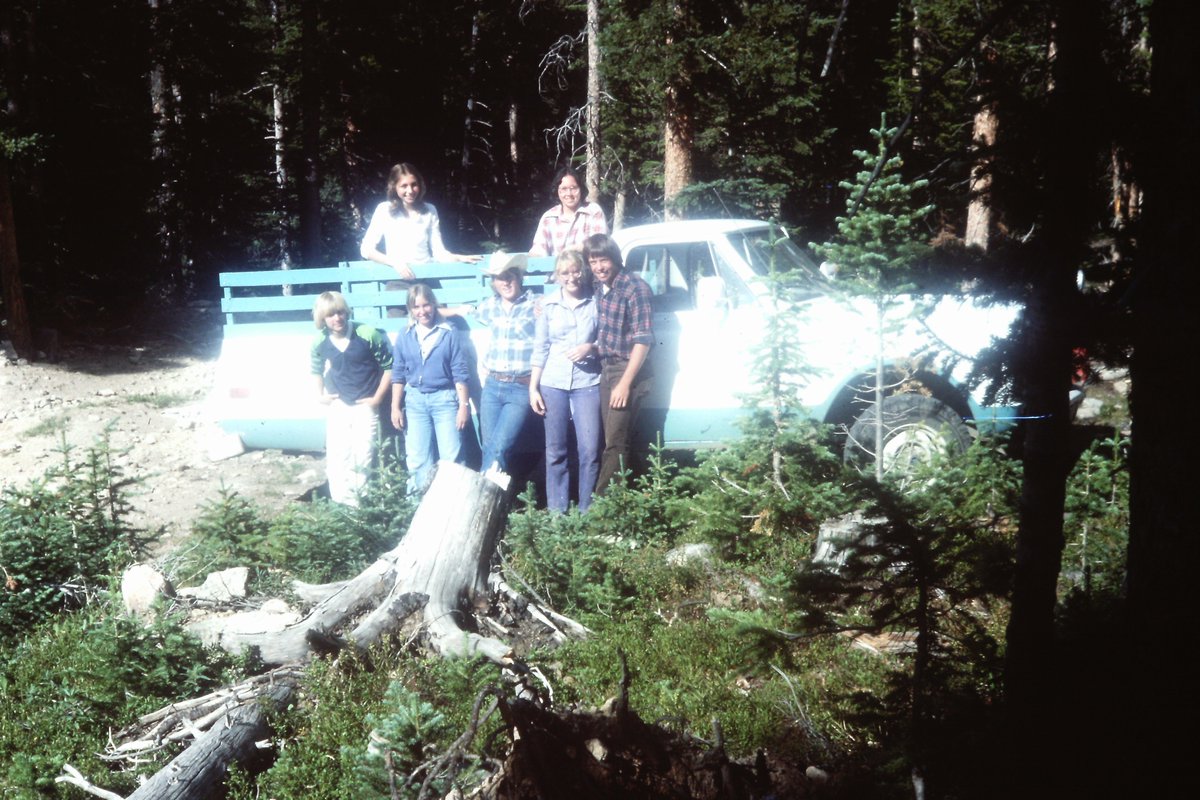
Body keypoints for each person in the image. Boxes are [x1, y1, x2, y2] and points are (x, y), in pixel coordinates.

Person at [529, 250, 602, 511]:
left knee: (590, 450)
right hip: (553, 382)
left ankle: (586, 511)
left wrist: (590, 347)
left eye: (575, 271)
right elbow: (541, 347)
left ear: (583, 271)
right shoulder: (548, 305)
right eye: (565, 273)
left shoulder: (596, 302)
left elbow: (607, 339)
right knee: (555, 451)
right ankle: (557, 514)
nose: (571, 277)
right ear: (557, 276)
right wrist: (533, 387)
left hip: (588, 382)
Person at [583, 233, 654, 493]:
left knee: (615, 442)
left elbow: (643, 341)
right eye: (593, 261)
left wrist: (625, 384)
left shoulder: (635, 288)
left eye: (604, 260)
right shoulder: (600, 287)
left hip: (629, 372)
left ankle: (604, 509)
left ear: (615, 258)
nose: (599, 267)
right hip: (607, 369)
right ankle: (631, 499)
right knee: (614, 440)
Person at [310, 291, 393, 506]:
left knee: (362, 455)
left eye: (339, 312)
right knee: (338, 456)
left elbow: (389, 367)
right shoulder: (320, 341)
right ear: (322, 318)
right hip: (339, 406)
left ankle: (359, 508)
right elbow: (316, 368)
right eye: (330, 315)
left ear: (346, 312)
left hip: (365, 406)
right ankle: (341, 506)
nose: (336, 318)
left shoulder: (366, 333)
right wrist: (320, 396)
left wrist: (377, 398)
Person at [390, 284, 472, 493]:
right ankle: (416, 508)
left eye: (426, 305)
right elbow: (398, 372)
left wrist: (463, 406)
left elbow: (459, 371)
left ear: (433, 305)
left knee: (451, 458)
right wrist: (395, 406)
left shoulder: (448, 333)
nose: (422, 311)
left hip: (445, 400)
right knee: (418, 460)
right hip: (415, 401)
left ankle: (452, 510)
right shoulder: (405, 334)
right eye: (416, 307)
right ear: (410, 309)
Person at [476, 252, 539, 476]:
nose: (506, 282)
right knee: (489, 448)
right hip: (492, 386)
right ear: (493, 283)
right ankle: (496, 502)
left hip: (519, 387)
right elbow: (461, 311)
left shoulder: (535, 305)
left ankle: (482, 503)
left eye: (510, 276)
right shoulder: (487, 307)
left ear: (519, 277)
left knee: (500, 448)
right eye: (500, 278)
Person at [360, 163, 479, 280]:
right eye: (404, 186)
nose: (410, 190)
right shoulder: (384, 210)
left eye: (414, 184)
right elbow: (366, 250)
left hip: (427, 278)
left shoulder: (430, 210)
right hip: (399, 279)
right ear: (394, 187)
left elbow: (439, 253)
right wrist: (395, 263)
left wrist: (458, 258)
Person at [529, 166, 607, 257]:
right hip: (556, 270)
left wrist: (575, 249)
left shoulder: (593, 211)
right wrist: (534, 255)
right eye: (564, 189)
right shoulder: (548, 217)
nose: (569, 194)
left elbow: (600, 244)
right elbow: (539, 249)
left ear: (581, 189)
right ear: (557, 191)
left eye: (574, 188)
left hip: (587, 269)